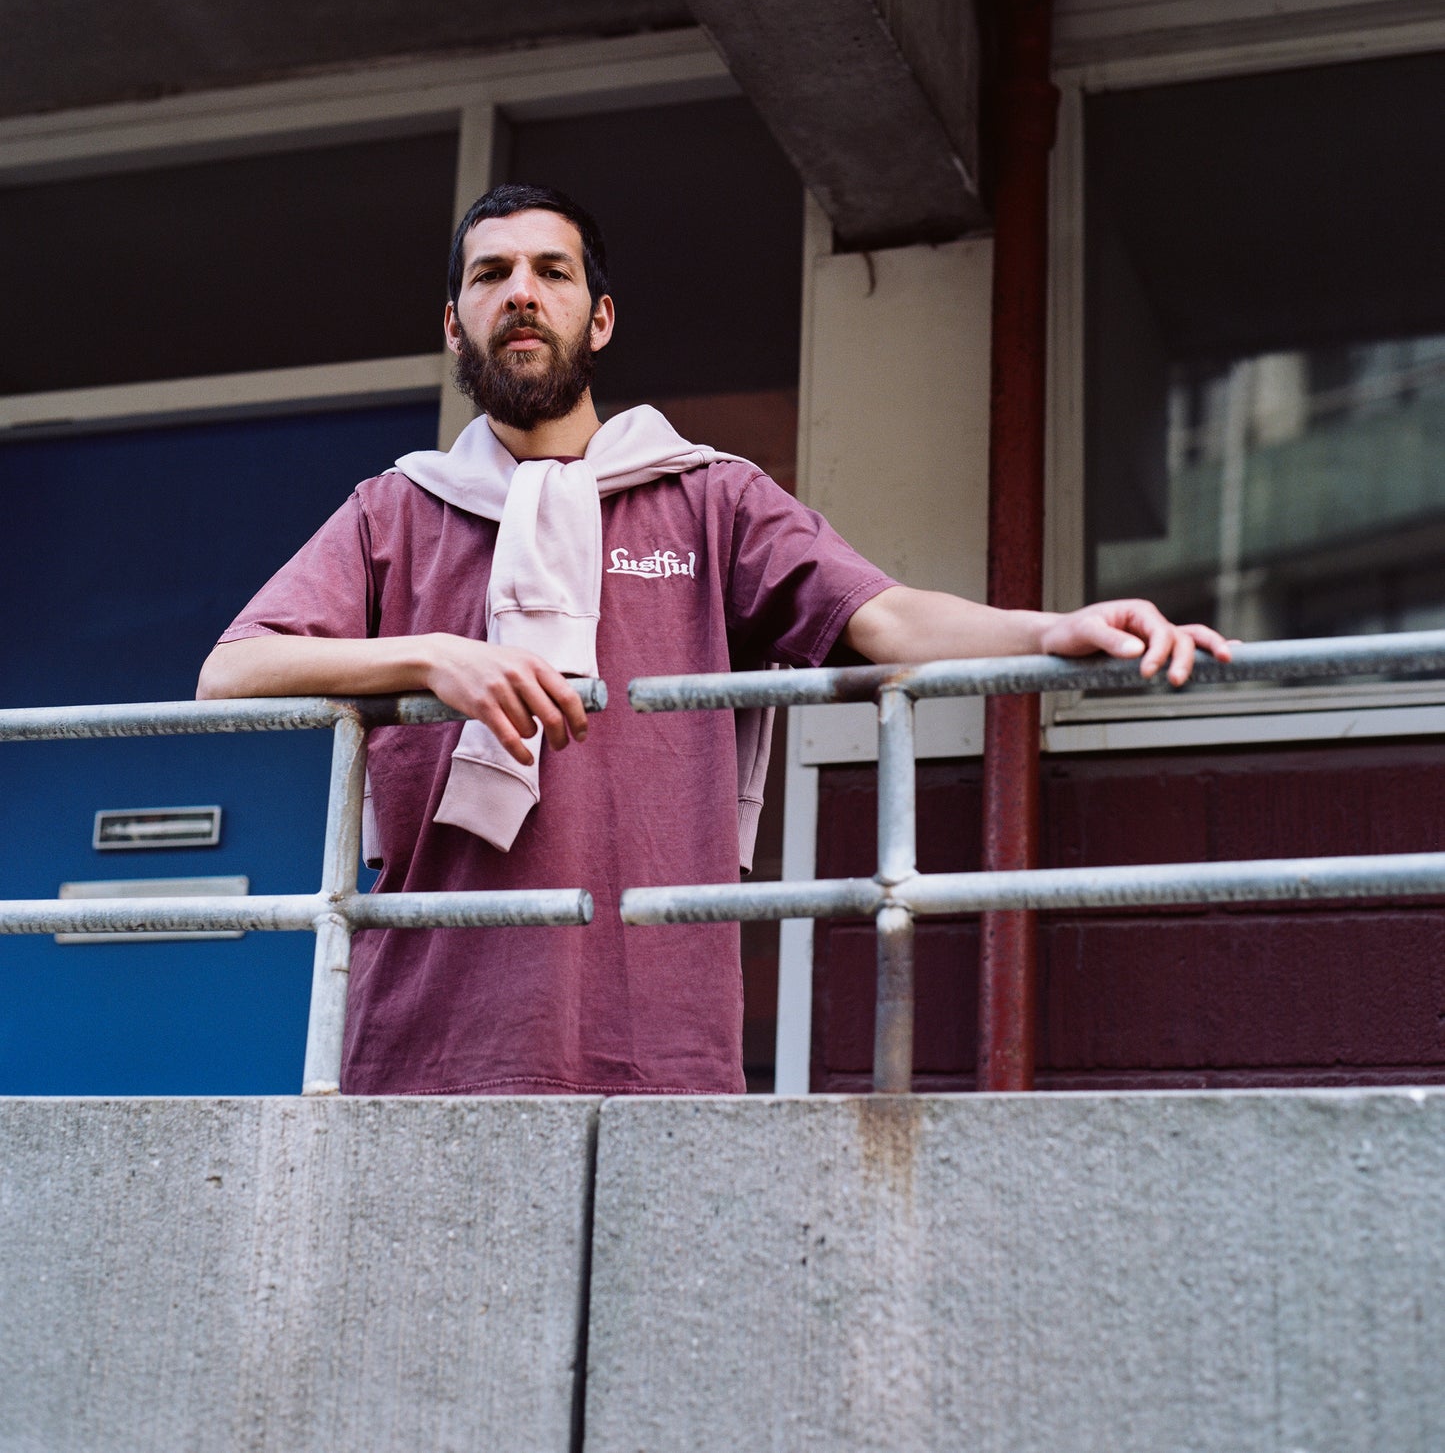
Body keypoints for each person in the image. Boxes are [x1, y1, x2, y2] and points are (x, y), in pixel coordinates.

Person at [198, 183, 1231, 1096]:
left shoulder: (708, 495)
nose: (520, 291)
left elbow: (885, 622)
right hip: (431, 1036)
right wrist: (429, 657)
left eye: (550, 271)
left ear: (597, 318)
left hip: (659, 1033)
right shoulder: (394, 509)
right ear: (454, 325)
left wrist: (1051, 629)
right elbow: (231, 672)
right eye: (491, 274)